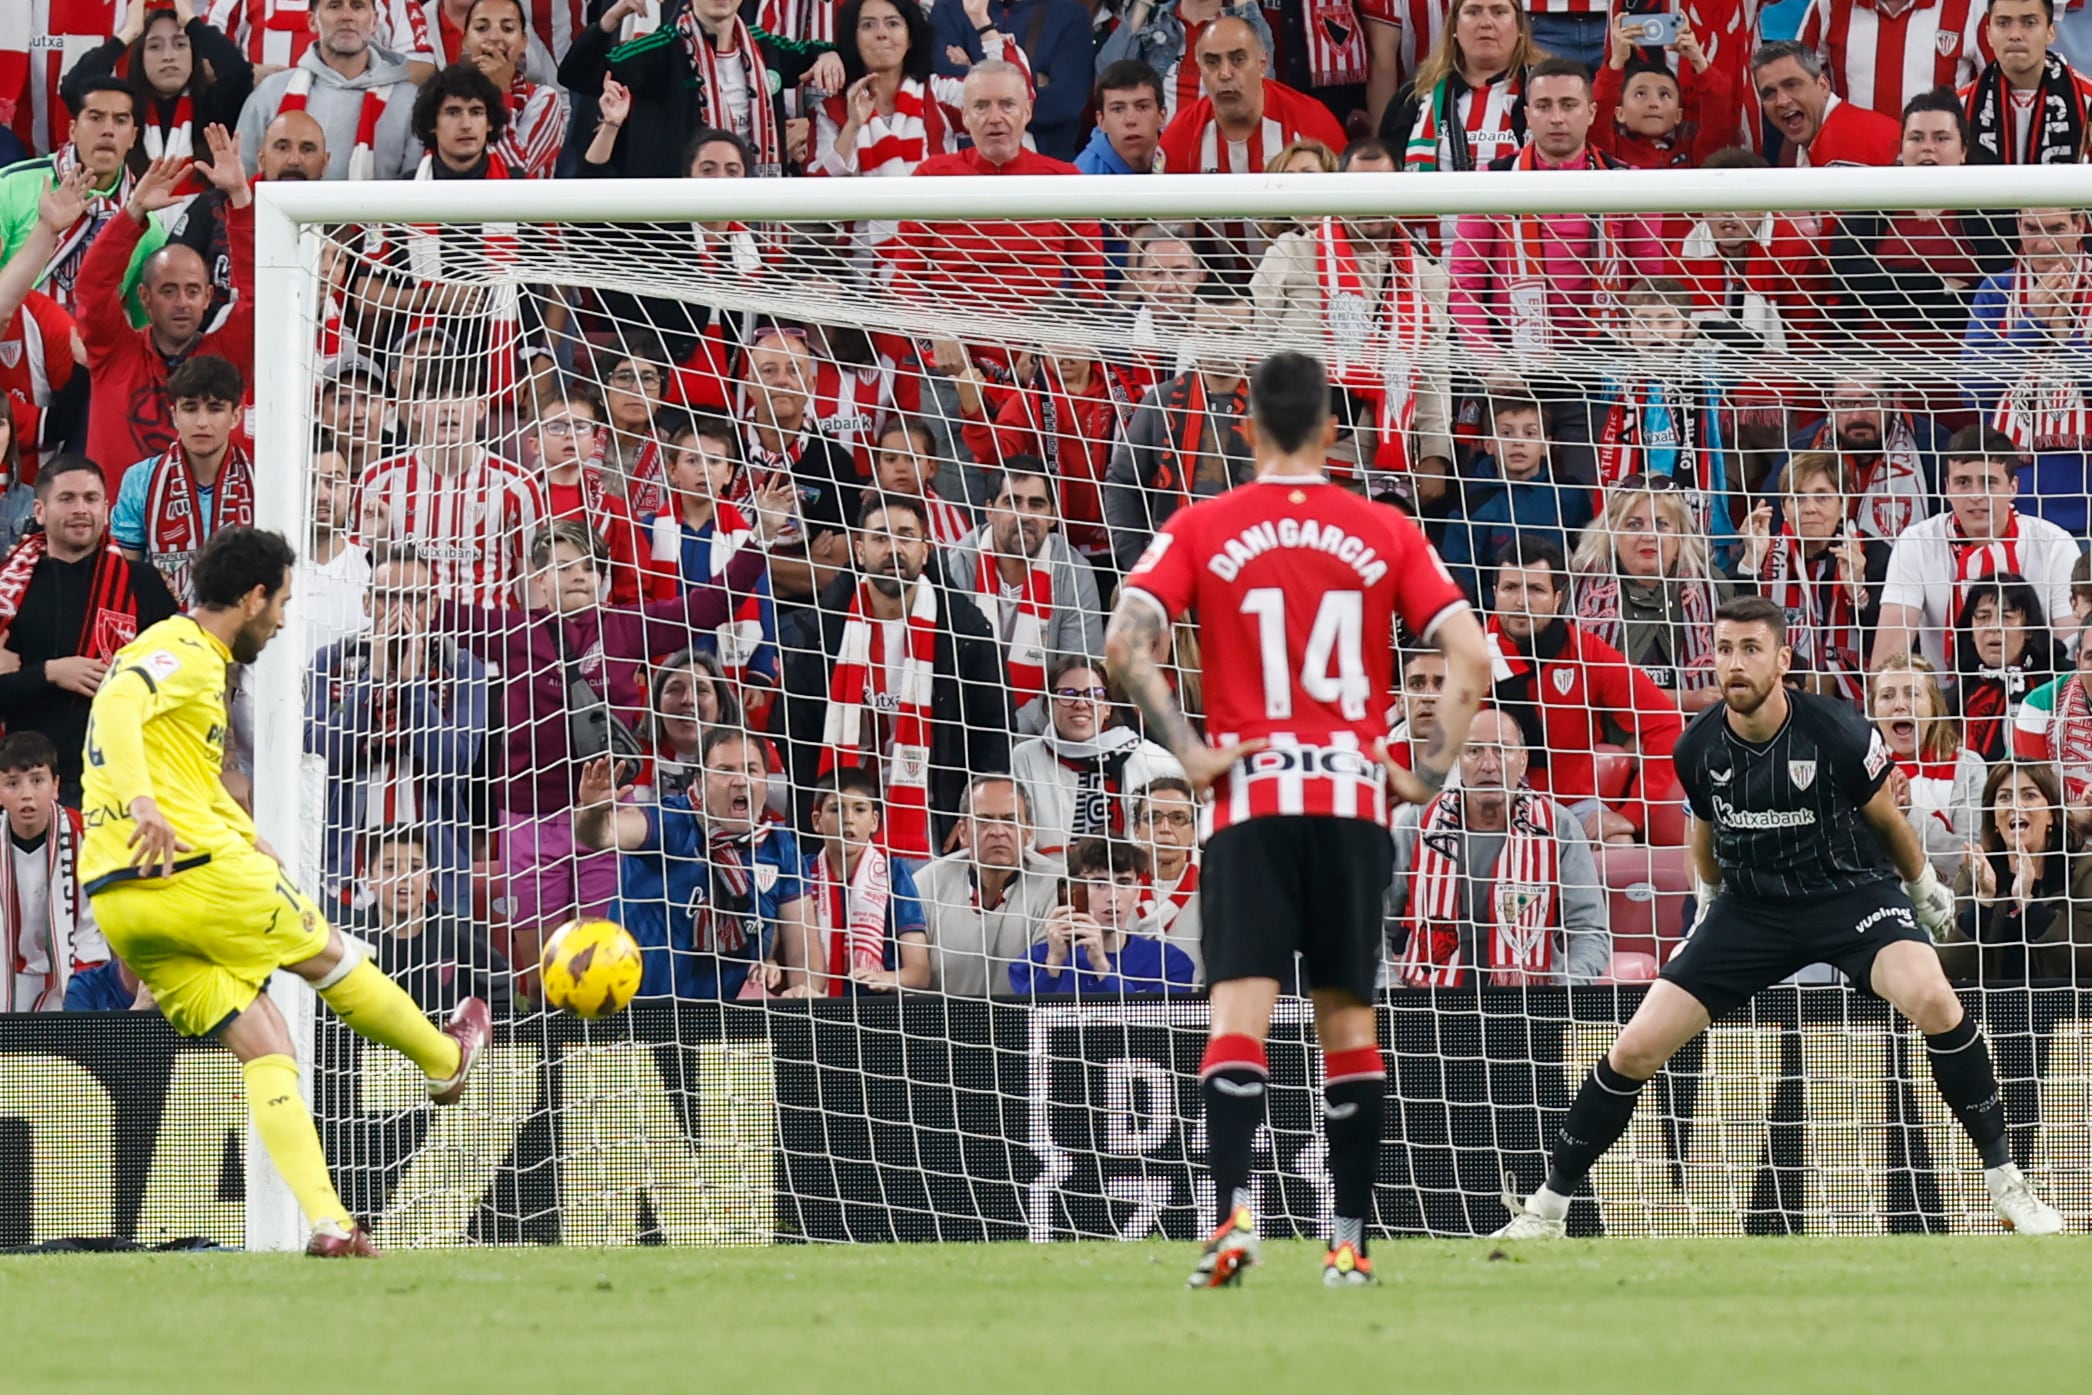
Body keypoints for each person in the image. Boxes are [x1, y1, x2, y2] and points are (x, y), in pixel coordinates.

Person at [1494, 595, 2064, 1239]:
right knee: (1635, 1046)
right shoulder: (1698, 745)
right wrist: (1706, 900)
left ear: (1782, 659)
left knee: (1934, 999)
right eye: (1724, 649)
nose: (1733, 664)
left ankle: (2008, 1185)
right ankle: (1548, 1209)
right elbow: (1703, 834)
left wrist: (1923, 883)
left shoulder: (1838, 730)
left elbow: (1886, 818)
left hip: (1849, 895)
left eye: (1750, 650)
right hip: (1753, 910)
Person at [1105, 349, 1491, 1287]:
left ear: (1245, 429)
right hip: (1352, 799)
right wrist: (1423, 771)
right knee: (1348, 1021)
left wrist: (1190, 753)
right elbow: (1472, 660)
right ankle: (1348, 1245)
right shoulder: (1386, 528)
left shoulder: (1201, 525)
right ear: (1331, 431)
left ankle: (1233, 1224)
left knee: (1242, 1010)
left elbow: (1124, 640)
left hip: (1254, 799)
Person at [81, 526, 492, 1258]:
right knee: (326, 950)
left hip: (123, 901)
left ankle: (331, 1223)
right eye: (280, 605)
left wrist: (241, 829)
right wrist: (144, 802)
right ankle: (442, 1057)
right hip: (188, 872)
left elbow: (183, 768)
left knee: (265, 1043)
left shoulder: (194, 668)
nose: (279, 621)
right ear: (253, 595)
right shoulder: (177, 650)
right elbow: (117, 706)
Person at [778, 494, 1011, 858]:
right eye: (880, 538)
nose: (893, 549)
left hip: (934, 817)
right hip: (845, 822)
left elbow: (994, 731)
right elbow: (796, 735)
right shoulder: (820, 634)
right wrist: (812, 823)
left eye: (905, 536)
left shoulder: (966, 634)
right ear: (858, 550)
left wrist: (971, 815)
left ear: (926, 550)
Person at [1248, 137, 1454, 502]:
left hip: (1387, 473)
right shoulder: (1290, 254)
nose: (1370, 202)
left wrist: (1436, 454)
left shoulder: (1427, 276)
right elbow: (1252, 349)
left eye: (1382, 188)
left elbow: (1434, 372)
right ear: (1339, 190)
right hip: (1297, 458)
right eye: (1359, 189)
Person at [578, 732, 821, 1000]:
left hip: (726, 1022)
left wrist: (803, 989)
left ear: (765, 779)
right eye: (725, 770)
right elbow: (604, 834)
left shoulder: (780, 846)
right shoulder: (669, 821)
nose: (740, 781)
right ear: (701, 782)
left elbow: (803, 947)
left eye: (750, 769)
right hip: (641, 1011)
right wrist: (592, 812)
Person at [305, 550, 488, 903]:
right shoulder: (332, 661)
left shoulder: (460, 665)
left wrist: (413, 684)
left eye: (415, 599)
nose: (401, 611)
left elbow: (455, 768)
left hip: (437, 875)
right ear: (366, 602)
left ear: (433, 606)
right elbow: (320, 758)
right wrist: (371, 680)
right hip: (348, 871)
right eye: (389, 597)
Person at [0, 457, 179, 804]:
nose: (81, 509)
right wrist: (50, 673)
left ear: (107, 508)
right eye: (67, 499)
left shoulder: (143, 584)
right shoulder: (8, 591)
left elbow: (177, 678)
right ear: (39, 510)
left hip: (122, 782)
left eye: (91, 498)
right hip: (25, 786)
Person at [1389, 708, 1611, 987]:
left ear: (1523, 761)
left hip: (1533, 1004)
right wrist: (1391, 991)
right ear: (1458, 759)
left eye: (1502, 751)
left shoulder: (1559, 826)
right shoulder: (1418, 824)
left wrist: (1562, 995)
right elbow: (1373, 924)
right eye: (1474, 752)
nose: (1489, 765)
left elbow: (1590, 930)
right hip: (1430, 1003)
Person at [75, 137, 254, 477]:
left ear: (208, 297)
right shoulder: (113, 351)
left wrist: (240, 198)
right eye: (169, 291)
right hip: (120, 528)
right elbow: (93, 288)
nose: (182, 302)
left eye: (192, 290)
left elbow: (260, 295)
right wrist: (133, 213)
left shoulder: (228, 355)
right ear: (145, 298)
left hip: (210, 527)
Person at [1489, 534, 1684, 845]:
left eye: (1535, 589)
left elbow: (1665, 724)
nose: (1521, 601)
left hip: (1571, 809)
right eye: (1510, 588)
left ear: (1557, 598)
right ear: (1495, 594)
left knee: (1619, 843)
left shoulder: (1586, 652)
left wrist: (1630, 814)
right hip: (1487, 808)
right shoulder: (1471, 654)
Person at [885, 61, 1104, 312]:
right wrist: (935, 335)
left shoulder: (1065, 181)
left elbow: (1091, 289)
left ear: (1028, 111)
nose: (995, 118)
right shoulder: (932, 178)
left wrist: (1051, 345)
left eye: (1007, 105)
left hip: (1040, 344)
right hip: (949, 343)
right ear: (965, 115)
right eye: (981, 106)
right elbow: (905, 279)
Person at [813, 0, 1031, 250]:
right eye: (868, 25)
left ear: (910, 38)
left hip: (942, 255)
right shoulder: (834, 108)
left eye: (893, 23)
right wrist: (852, 125)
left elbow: (1018, 96)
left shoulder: (938, 93)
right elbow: (818, 195)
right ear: (854, 38)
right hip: (863, 269)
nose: (881, 33)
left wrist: (981, 22)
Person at [556, 0, 844, 180]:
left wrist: (828, 54)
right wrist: (612, 16)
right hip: (679, 222)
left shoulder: (765, 47)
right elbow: (576, 74)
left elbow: (818, 53)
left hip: (754, 210)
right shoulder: (659, 50)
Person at [1874, 427, 2080, 677]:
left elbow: (2073, 647)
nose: (1976, 495)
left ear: (2013, 487)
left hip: (2040, 699)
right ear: (1947, 487)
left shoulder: (2055, 544)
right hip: (1946, 703)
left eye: (1989, 482)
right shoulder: (1916, 543)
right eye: (1963, 482)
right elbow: (1889, 656)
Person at [1154, 17, 1348, 277]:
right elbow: (1171, 238)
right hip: (1218, 292)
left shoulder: (1312, 122)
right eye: (1212, 62)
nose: (1224, 73)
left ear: (1262, 64)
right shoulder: (1181, 136)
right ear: (1200, 69)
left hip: (1306, 284)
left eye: (1237, 59)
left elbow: (1347, 224)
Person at [356, 359, 549, 610]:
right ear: (415, 409)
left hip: (489, 639)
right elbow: (358, 575)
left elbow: (534, 587)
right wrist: (380, 542)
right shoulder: (378, 480)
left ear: (481, 408)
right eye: (436, 396)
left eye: (460, 396)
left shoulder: (518, 485)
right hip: (405, 631)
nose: (449, 407)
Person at [1825, 91, 2012, 346]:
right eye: (1916, 138)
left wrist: (1889, 287)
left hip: (1964, 362)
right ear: (1901, 150)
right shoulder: (1869, 205)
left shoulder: (1991, 215)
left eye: (1941, 138)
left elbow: (1987, 302)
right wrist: (1940, 285)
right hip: (1873, 366)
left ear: (1963, 151)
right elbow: (1852, 279)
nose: (1928, 147)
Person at [944, 461, 1105, 734]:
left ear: (1053, 516)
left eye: (1036, 504)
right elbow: (950, 666)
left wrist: (1015, 733)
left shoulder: (1075, 574)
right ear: (990, 511)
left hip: (1045, 734)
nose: (1025, 515)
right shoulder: (955, 564)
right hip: (965, 726)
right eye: (1012, 502)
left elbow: (1078, 677)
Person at [1959, 207, 2092, 534]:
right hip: (2010, 511)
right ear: (2018, 226)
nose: (2044, 244)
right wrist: (2033, 323)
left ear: (2080, 225)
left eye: (2056, 229)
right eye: (2032, 229)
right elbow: (1970, 389)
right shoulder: (1995, 290)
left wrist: (2063, 334)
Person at [952, 348, 1146, 572]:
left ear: (1093, 345)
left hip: (1123, 543)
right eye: (1053, 345)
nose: (1064, 354)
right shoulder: (1027, 401)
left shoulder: (1130, 396)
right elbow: (997, 459)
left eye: (1073, 343)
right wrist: (973, 411)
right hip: (1054, 547)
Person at [1101, 296, 1256, 572]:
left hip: (1254, 567)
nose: (1221, 345)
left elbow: (1309, 488)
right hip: (1174, 565)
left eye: (1234, 333)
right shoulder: (1162, 401)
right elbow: (1122, 482)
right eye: (1209, 332)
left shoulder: (1278, 408)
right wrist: (1138, 565)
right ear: (1190, 331)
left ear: (1254, 334)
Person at [1572, 484, 1735, 713]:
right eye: (1634, 524)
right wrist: (1684, 700)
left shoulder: (1713, 586)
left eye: (1661, 524)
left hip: (1696, 733)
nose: (1649, 535)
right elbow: (1580, 686)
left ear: (1680, 537)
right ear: (1612, 536)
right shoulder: (1579, 589)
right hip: (1605, 737)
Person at [110, 353, 252, 604]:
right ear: (174, 414)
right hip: (162, 630)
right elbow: (124, 577)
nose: (201, 422)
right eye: (190, 408)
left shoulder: (260, 479)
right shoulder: (140, 480)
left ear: (236, 416)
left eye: (215, 409)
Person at [1010, 655, 1183, 858]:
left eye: (1094, 694)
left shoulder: (1150, 759)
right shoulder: (1026, 757)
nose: (1081, 703)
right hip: (1049, 885)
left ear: (1108, 708)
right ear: (1049, 705)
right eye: (1068, 694)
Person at [234, 0, 421, 181]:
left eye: (357, 6)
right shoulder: (271, 93)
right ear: (312, 21)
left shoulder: (409, 101)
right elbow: (242, 180)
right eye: (334, 6)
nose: (347, 16)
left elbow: (419, 193)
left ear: (374, 21)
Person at [914, 773, 1064, 997]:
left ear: (1028, 832)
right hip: (940, 1027)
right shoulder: (927, 883)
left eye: (1009, 820)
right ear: (963, 832)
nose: (997, 831)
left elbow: (1051, 980)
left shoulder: (1057, 885)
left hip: (1025, 1027)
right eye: (984, 820)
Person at [1942, 761, 2091, 984]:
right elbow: (1947, 966)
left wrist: (2029, 904)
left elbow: (2086, 960)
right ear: (1993, 817)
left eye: (2029, 795)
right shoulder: (1976, 873)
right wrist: (1983, 903)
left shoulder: (2083, 867)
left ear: (2051, 814)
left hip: (2070, 1013)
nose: (2016, 806)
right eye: (2004, 797)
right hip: (1990, 1012)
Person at [63, 0, 254, 173]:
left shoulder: (213, 105)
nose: (168, 56)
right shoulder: (125, 109)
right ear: (140, 58)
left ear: (194, 54)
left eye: (180, 45)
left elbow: (239, 73)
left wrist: (191, 21)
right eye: (155, 46)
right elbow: (73, 87)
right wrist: (128, 33)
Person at [0, 75, 138, 315]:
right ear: (73, 130)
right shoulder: (11, 185)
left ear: (133, 137)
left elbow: (141, 324)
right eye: (95, 118)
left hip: (93, 349)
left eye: (120, 120)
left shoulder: (144, 217)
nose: (108, 131)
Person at [1438, 391, 1590, 607]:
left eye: (1529, 433)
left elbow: (1590, 559)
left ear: (1546, 445)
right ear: (1489, 445)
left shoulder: (1568, 494)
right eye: (1507, 433)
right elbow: (1461, 578)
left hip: (1558, 612)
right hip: (1494, 620)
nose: (1518, 442)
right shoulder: (1471, 505)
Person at [1739, 451, 1868, 703]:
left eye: (1822, 496)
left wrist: (1858, 590)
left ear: (1843, 504)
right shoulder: (1766, 551)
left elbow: (1886, 639)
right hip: (1780, 697)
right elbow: (1738, 626)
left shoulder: (1872, 553)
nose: (1809, 508)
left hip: (1856, 703)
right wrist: (1751, 560)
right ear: (1784, 508)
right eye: (1797, 498)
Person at [342, 826, 513, 1015]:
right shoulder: (350, 942)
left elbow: (503, 989)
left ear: (429, 877)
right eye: (390, 867)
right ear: (367, 878)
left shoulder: (456, 932)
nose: (404, 877)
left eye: (415, 867)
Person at [0, 729, 108, 1011]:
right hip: (9, 970)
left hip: (77, 967)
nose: (27, 795)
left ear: (56, 785)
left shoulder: (87, 834)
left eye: (37, 781)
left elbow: (98, 924)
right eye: (12, 784)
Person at [1010, 836, 1197, 996]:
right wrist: (1053, 963)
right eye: (1099, 884)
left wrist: (1101, 965)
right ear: (1074, 891)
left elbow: (1148, 1033)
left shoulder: (1169, 963)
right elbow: (1025, 1028)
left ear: (1138, 892)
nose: (1113, 897)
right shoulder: (1032, 962)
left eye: (1123, 883)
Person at [1380, 0, 1534, 187]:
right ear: (1454, 26)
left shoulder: (1548, 88)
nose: (1486, 22)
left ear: (1519, 27)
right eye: (1473, 12)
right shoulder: (1415, 93)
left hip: (1526, 213)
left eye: (1499, 12)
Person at [805, 768, 931, 994]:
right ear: (817, 821)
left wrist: (885, 978)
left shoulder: (893, 873)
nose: (848, 820)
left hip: (876, 1009)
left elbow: (919, 973)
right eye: (836, 809)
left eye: (859, 809)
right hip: (813, 1003)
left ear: (874, 821)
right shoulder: (801, 871)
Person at [928, 0, 1094, 161]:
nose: (996, 116)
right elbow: (944, 92)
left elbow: (1065, 103)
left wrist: (974, 73)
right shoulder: (948, 9)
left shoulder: (1069, 13)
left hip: (1046, 169)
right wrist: (1033, 81)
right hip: (968, 167)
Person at [1873, 653, 1986, 881]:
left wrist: (1907, 812)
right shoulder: (1864, 767)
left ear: (1934, 707)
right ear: (1873, 710)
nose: (1899, 706)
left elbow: (1969, 866)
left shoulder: (1968, 767)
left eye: (1912, 694)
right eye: (1887, 696)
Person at [1797, 0, 1983, 122]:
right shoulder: (1830, 5)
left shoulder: (1971, 5)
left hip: (1938, 162)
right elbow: (1794, 79)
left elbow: (1996, 83)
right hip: (1853, 158)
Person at [1589, 13, 1733, 169]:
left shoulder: (1694, 153)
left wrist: (1698, 59)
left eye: (1665, 95)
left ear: (1679, 115)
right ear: (1619, 113)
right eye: (1640, 94)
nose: (1653, 103)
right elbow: (1597, 114)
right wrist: (1617, 61)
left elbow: (1718, 117)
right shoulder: (1608, 152)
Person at [1960, 0, 2092, 166]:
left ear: (2050, 32)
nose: (2015, 34)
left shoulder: (2088, 101)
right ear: (1988, 34)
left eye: (2029, 23)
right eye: (2003, 23)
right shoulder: (1959, 107)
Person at [1953, 573, 2068, 763]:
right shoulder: (1957, 696)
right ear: (1970, 631)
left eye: (2006, 616)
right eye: (1982, 617)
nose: (1994, 627)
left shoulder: (2060, 682)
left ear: (2029, 628)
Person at [1096, 1, 1273, 123]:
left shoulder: (1239, 29)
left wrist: (1245, 7)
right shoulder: (1156, 23)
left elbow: (1266, 85)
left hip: (1222, 149)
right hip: (1160, 153)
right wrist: (1141, 7)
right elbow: (1109, 76)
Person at [454, 0, 568, 180]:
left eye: (507, 29)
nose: (494, 37)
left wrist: (501, 93)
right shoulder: (446, 98)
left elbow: (517, 176)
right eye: (482, 28)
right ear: (465, 40)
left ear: (523, 42)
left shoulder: (544, 99)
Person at [1751, 39, 1900, 166]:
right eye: (1769, 93)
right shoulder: (1816, 139)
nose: (1782, 101)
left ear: (1823, 85)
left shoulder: (1847, 146)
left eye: (1792, 85)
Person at [636, 646, 743, 803]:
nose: (688, 699)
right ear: (657, 704)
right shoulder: (630, 759)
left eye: (701, 690)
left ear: (721, 707)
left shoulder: (753, 755)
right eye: (675, 689)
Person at [1129, 774, 1202, 977]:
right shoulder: (1117, 889)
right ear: (1136, 830)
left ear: (1195, 831)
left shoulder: (1217, 888)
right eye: (1153, 818)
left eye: (1178, 818)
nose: (1165, 829)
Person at [1077, 58, 1168, 175]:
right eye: (1117, 109)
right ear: (1101, 121)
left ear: (1162, 115)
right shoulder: (1083, 175)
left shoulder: (1185, 156)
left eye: (1142, 107)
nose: (1130, 120)